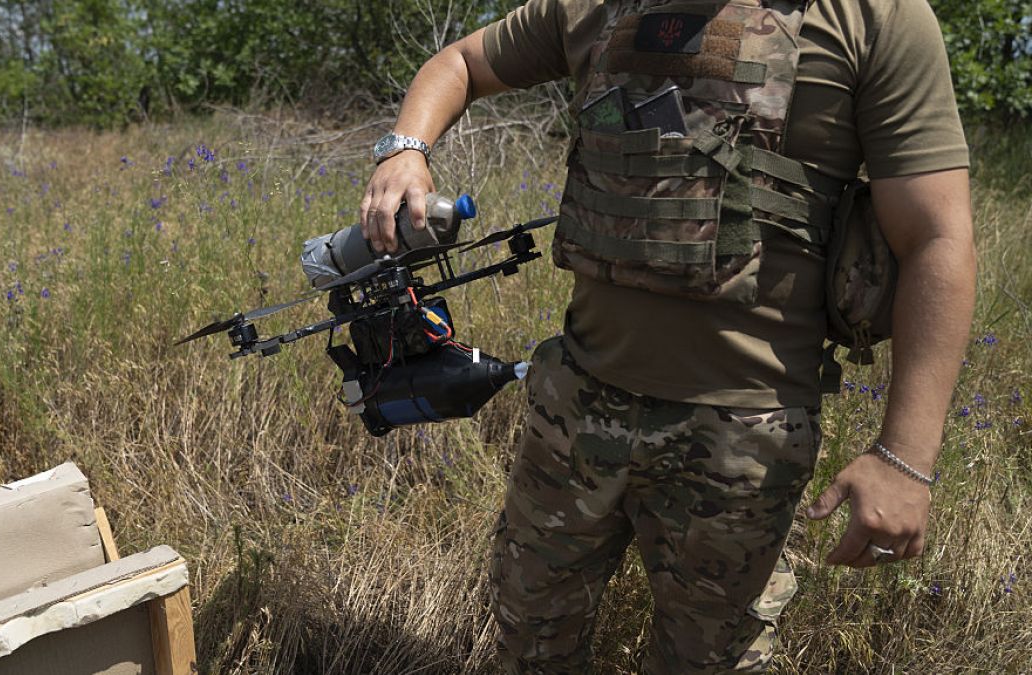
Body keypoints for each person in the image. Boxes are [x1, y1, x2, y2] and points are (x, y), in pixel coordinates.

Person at [359, 0, 976, 671]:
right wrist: (406, 151)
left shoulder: (872, 16)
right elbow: (460, 62)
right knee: (526, 638)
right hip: (573, 407)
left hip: (743, 436)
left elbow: (937, 239)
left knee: (711, 658)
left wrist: (905, 458)